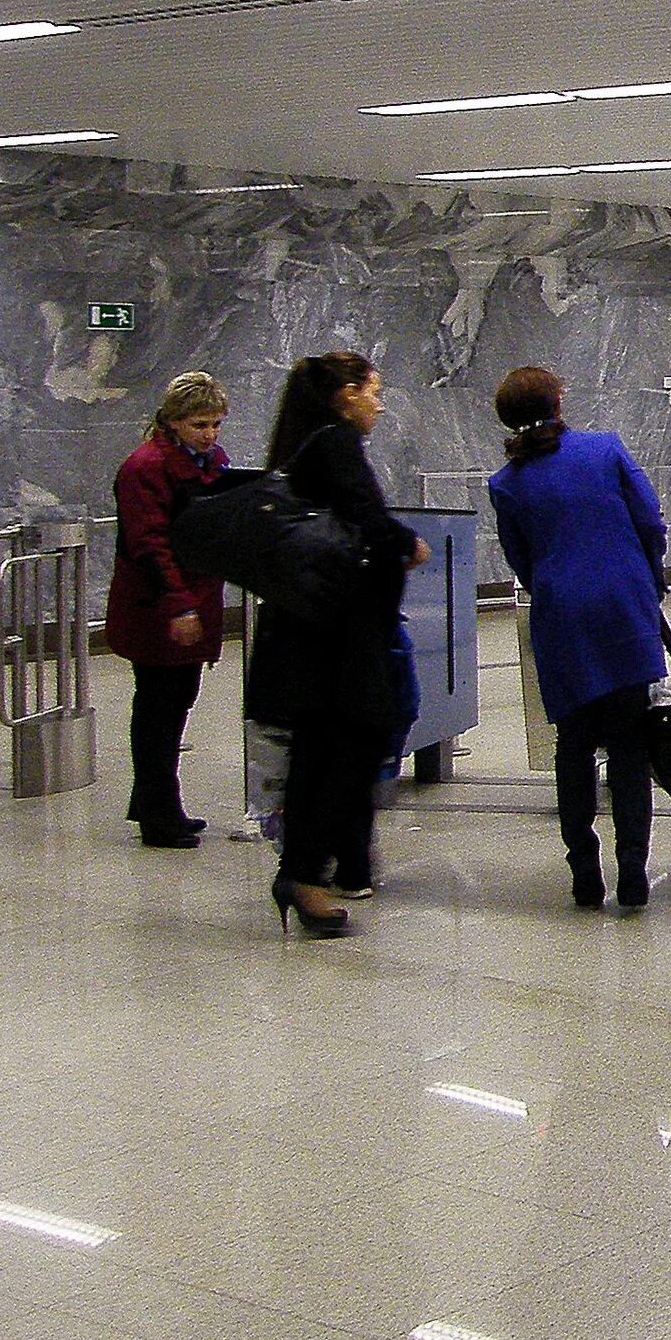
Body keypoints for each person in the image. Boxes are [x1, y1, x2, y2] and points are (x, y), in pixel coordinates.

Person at [244, 353, 425, 936]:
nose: (378, 403)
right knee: (353, 737)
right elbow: (368, 518)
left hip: (314, 632)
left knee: (327, 747)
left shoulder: (305, 445)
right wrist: (408, 543)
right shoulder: (334, 444)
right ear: (345, 395)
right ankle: (304, 872)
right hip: (338, 637)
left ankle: (304, 872)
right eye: (373, 392)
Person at [486, 367, 671, 912]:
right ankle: (633, 867)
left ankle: (584, 870)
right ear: (559, 401)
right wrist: (649, 578)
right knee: (630, 746)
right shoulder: (604, 450)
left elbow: (520, 557)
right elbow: (650, 521)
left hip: (561, 616)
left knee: (574, 746)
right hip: (621, 608)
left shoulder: (507, 484)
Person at [105, 370, 231, 847]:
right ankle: (159, 813)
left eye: (216, 424)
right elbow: (147, 544)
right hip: (157, 606)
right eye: (200, 424)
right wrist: (177, 606)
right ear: (174, 422)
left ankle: (155, 800)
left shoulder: (210, 463)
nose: (210, 434)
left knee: (177, 702)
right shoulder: (145, 468)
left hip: (195, 597)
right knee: (159, 709)